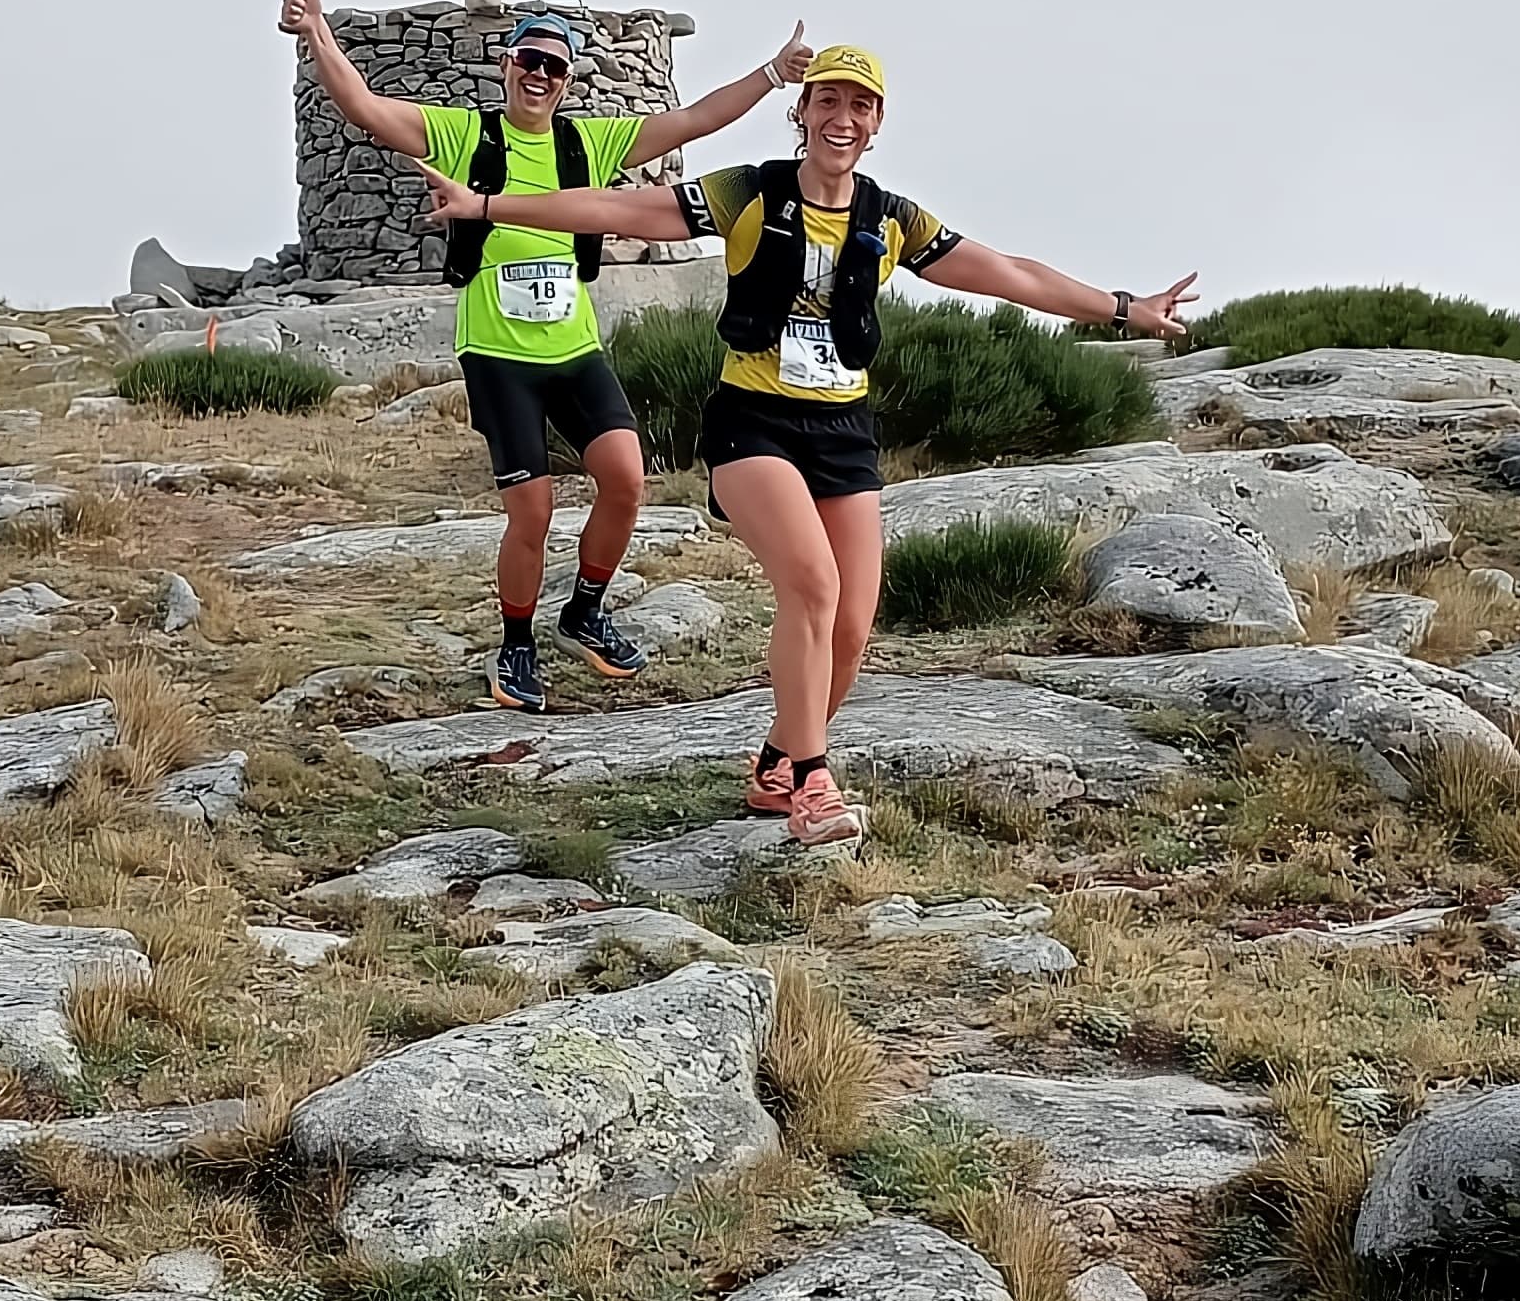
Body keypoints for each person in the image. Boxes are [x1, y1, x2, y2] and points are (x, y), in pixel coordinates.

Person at [417, 43, 1197, 842]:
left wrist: (1122, 306)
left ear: (877, 123)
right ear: (804, 113)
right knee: (812, 588)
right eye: (828, 102)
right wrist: (486, 209)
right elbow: (613, 211)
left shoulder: (892, 219)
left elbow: (1009, 273)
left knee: (853, 627)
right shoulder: (750, 193)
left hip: (842, 430)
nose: (842, 118)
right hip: (752, 424)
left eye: (859, 106)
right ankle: (813, 784)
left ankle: (775, 763)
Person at [279, 0, 812, 708]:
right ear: (508, 67)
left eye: (554, 66)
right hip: (498, 353)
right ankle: (516, 645)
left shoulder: (587, 147)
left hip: (573, 347)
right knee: (530, 512)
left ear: (566, 81)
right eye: (529, 61)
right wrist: (316, 34)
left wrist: (772, 75)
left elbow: (691, 122)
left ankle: (585, 613)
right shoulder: (467, 134)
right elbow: (365, 108)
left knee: (627, 479)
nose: (539, 75)